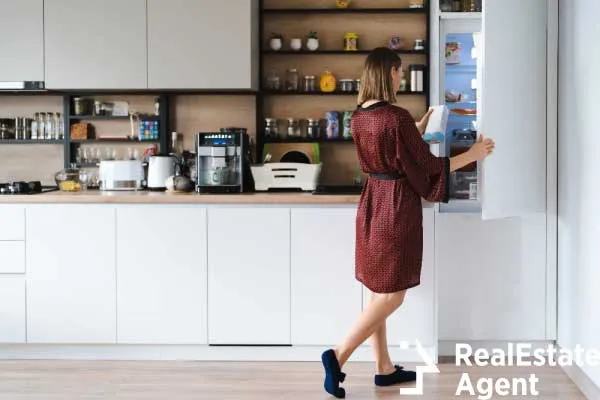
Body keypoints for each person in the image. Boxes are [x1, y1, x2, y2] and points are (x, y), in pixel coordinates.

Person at [320, 47, 495, 398]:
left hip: (372, 203)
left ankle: (383, 369)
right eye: (399, 72)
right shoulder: (396, 117)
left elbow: (387, 150)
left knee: (376, 290)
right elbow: (428, 169)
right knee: (392, 295)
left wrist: (414, 132)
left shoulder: (359, 116)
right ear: (390, 74)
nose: (401, 77)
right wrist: (473, 155)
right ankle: (337, 356)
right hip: (395, 208)